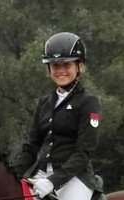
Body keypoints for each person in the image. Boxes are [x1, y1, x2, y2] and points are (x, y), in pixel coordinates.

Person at [12, 32, 101, 200]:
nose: (60, 71)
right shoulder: (44, 102)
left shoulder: (88, 102)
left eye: (66, 65)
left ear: (79, 66)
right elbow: (32, 147)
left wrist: (53, 181)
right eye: (55, 66)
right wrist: (10, 173)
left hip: (74, 178)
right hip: (40, 175)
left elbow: (83, 152)